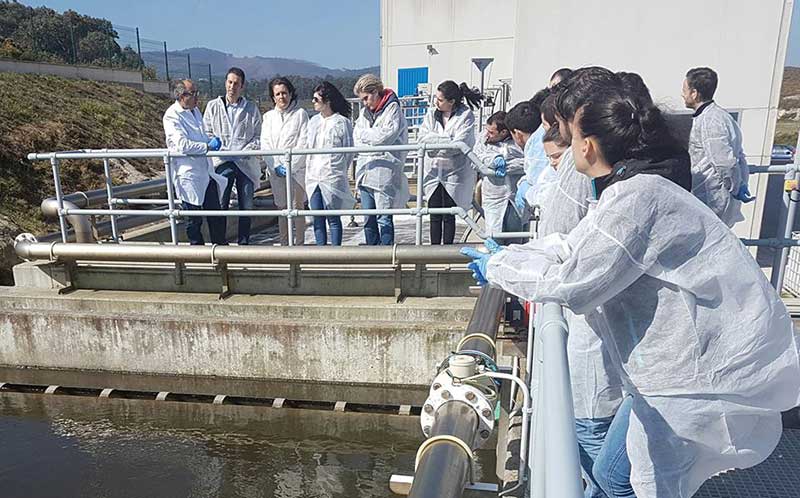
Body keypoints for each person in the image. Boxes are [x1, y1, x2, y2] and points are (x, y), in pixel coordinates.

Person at [464, 79, 800, 498]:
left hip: (688, 378)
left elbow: (573, 283)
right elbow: (572, 245)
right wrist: (509, 258)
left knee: (651, 483)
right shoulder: (631, 191)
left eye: (572, 137)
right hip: (669, 373)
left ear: (586, 146)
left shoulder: (635, 201)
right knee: (618, 477)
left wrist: (498, 267)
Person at [683, 67, 752, 227]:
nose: (683, 94)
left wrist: (734, 187)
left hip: (712, 196)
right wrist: (740, 183)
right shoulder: (720, 116)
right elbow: (738, 156)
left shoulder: (711, 121)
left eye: (684, 90)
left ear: (694, 93)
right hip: (713, 194)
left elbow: (724, 162)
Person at [162, 79, 227, 245]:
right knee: (194, 220)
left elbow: (201, 135)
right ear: (182, 96)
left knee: (216, 216)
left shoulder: (195, 111)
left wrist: (211, 141)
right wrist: (206, 146)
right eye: (193, 93)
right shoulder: (171, 116)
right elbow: (182, 144)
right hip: (188, 174)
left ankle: (221, 253)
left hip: (205, 171)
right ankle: (197, 256)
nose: (197, 97)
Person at [202, 67, 262, 245]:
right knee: (222, 203)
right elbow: (207, 132)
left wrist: (244, 151)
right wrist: (218, 147)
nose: (232, 86)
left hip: (245, 163)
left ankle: (244, 243)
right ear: (225, 83)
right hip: (223, 162)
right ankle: (220, 243)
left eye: (236, 83)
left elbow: (259, 136)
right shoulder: (213, 107)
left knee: (246, 205)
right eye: (230, 82)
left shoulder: (251, 109)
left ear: (242, 86)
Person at [418, 80, 482, 244]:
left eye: (440, 100)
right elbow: (422, 139)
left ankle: (446, 250)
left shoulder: (465, 115)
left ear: (452, 101)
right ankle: (433, 249)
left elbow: (459, 144)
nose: (436, 102)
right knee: (434, 213)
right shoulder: (431, 114)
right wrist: (446, 141)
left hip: (455, 174)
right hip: (433, 172)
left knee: (449, 214)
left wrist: (436, 141)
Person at [352, 74, 409, 245]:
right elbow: (357, 137)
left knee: (383, 217)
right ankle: (372, 254)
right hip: (365, 171)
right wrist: (370, 138)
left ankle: (386, 253)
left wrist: (366, 136)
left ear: (375, 92)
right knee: (368, 218)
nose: (364, 103)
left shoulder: (393, 110)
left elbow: (385, 137)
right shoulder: (364, 113)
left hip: (384, 171)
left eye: (366, 98)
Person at [306, 82, 356, 246]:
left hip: (332, 176)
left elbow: (348, 151)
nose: (313, 102)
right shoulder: (313, 121)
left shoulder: (342, 122)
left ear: (327, 100)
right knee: (317, 217)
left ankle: (336, 253)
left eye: (316, 98)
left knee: (333, 217)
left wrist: (338, 170)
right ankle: (321, 253)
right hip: (313, 176)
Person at [261, 76, 308, 245]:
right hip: (277, 172)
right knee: (282, 209)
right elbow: (265, 144)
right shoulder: (268, 117)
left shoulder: (300, 114)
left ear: (290, 94)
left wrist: (291, 166)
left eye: (285, 93)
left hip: (296, 171)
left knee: (297, 208)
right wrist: (275, 167)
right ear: (273, 97)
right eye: (278, 94)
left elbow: (304, 142)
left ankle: (300, 244)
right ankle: (284, 245)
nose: (282, 97)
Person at [472, 111, 525, 239]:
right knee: (494, 236)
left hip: (514, 196)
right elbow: (476, 158)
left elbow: (527, 161)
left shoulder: (518, 142)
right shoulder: (483, 139)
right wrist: (494, 160)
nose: (487, 135)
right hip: (493, 196)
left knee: (516, 238)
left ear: (504, 132)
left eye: (492, 132)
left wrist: (507, 166)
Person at [509, 95, 552, 214]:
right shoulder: (542, 136)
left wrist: (525, 188)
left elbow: (536, 182)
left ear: (517, 133)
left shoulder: (536, 145)